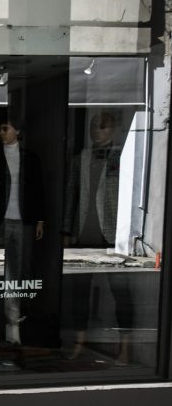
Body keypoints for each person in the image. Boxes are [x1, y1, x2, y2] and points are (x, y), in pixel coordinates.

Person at [62, 112, 132, 362]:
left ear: (113, 130)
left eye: (102, 127)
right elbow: (71, 194)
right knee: (79, 293)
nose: (96, 131)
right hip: (84, 234)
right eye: (93, 126)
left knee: (121, 293)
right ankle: (80, 343)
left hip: (113, 237)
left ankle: (125, 347)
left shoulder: (122, 157)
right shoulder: (81, 158)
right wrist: (67, 231)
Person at [0, 119, 45, 344]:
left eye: (5, 128)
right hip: (0, 221)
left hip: (24, 221)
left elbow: (38, 189)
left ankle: (14, 321)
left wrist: (39, 219)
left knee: (20, 272)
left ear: (18, 130)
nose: (1, 132)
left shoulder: (30, 158)